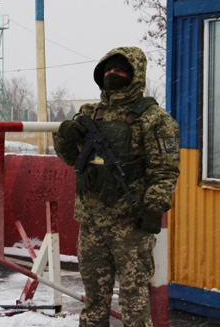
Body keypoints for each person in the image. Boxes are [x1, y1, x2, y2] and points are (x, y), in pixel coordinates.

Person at [53, 46, 180, 327]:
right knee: (94, 301)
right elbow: (71, 158)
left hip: (130, 226)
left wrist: (152, 208)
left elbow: (165, 172)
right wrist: (64, 135)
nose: (112, 74)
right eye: (108, 69)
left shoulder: (154, 120)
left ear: (135, 75)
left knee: (134, 302)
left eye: (120, 69)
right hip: (92, 223)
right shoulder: (89, 114)